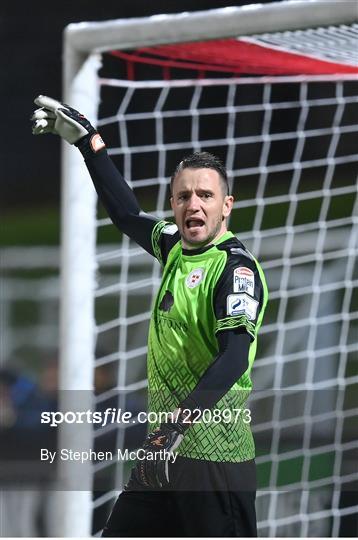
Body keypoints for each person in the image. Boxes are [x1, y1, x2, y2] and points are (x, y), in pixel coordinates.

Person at [31, 96, 268, 537]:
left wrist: (175, 427)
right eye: (183, 196)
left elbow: (234, 357)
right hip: (163, 456)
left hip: (214, 463)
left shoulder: (235, 269)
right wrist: (89, 144)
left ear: (227, 205)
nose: (193, 204)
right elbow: (126, 214)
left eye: (205, 195)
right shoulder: (174, 247)